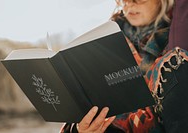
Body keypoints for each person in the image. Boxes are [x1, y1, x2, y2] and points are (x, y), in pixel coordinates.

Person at [60, 0, 188, 132]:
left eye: (138, 0)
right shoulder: (102, 40)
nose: (129, 4)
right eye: (123, 0)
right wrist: (80, 129)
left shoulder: (179, 40)